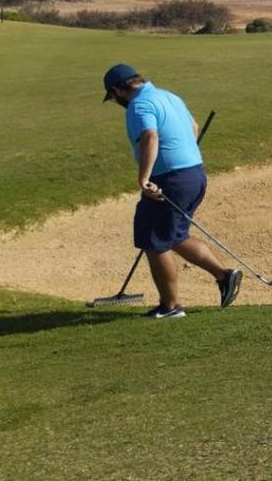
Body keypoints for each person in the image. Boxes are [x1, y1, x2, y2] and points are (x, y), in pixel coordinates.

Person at [103, 64, 241, 319]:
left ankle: (171, 307)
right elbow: (194, 127)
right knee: (174, 235)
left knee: (153, 241)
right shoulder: (169, 96)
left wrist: (144, 178)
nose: (116, 102)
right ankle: (224, 276)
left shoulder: (138, 105)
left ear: (117, 91)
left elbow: (149, 137)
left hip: (170, 180)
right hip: (194, 174)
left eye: (113, 98)